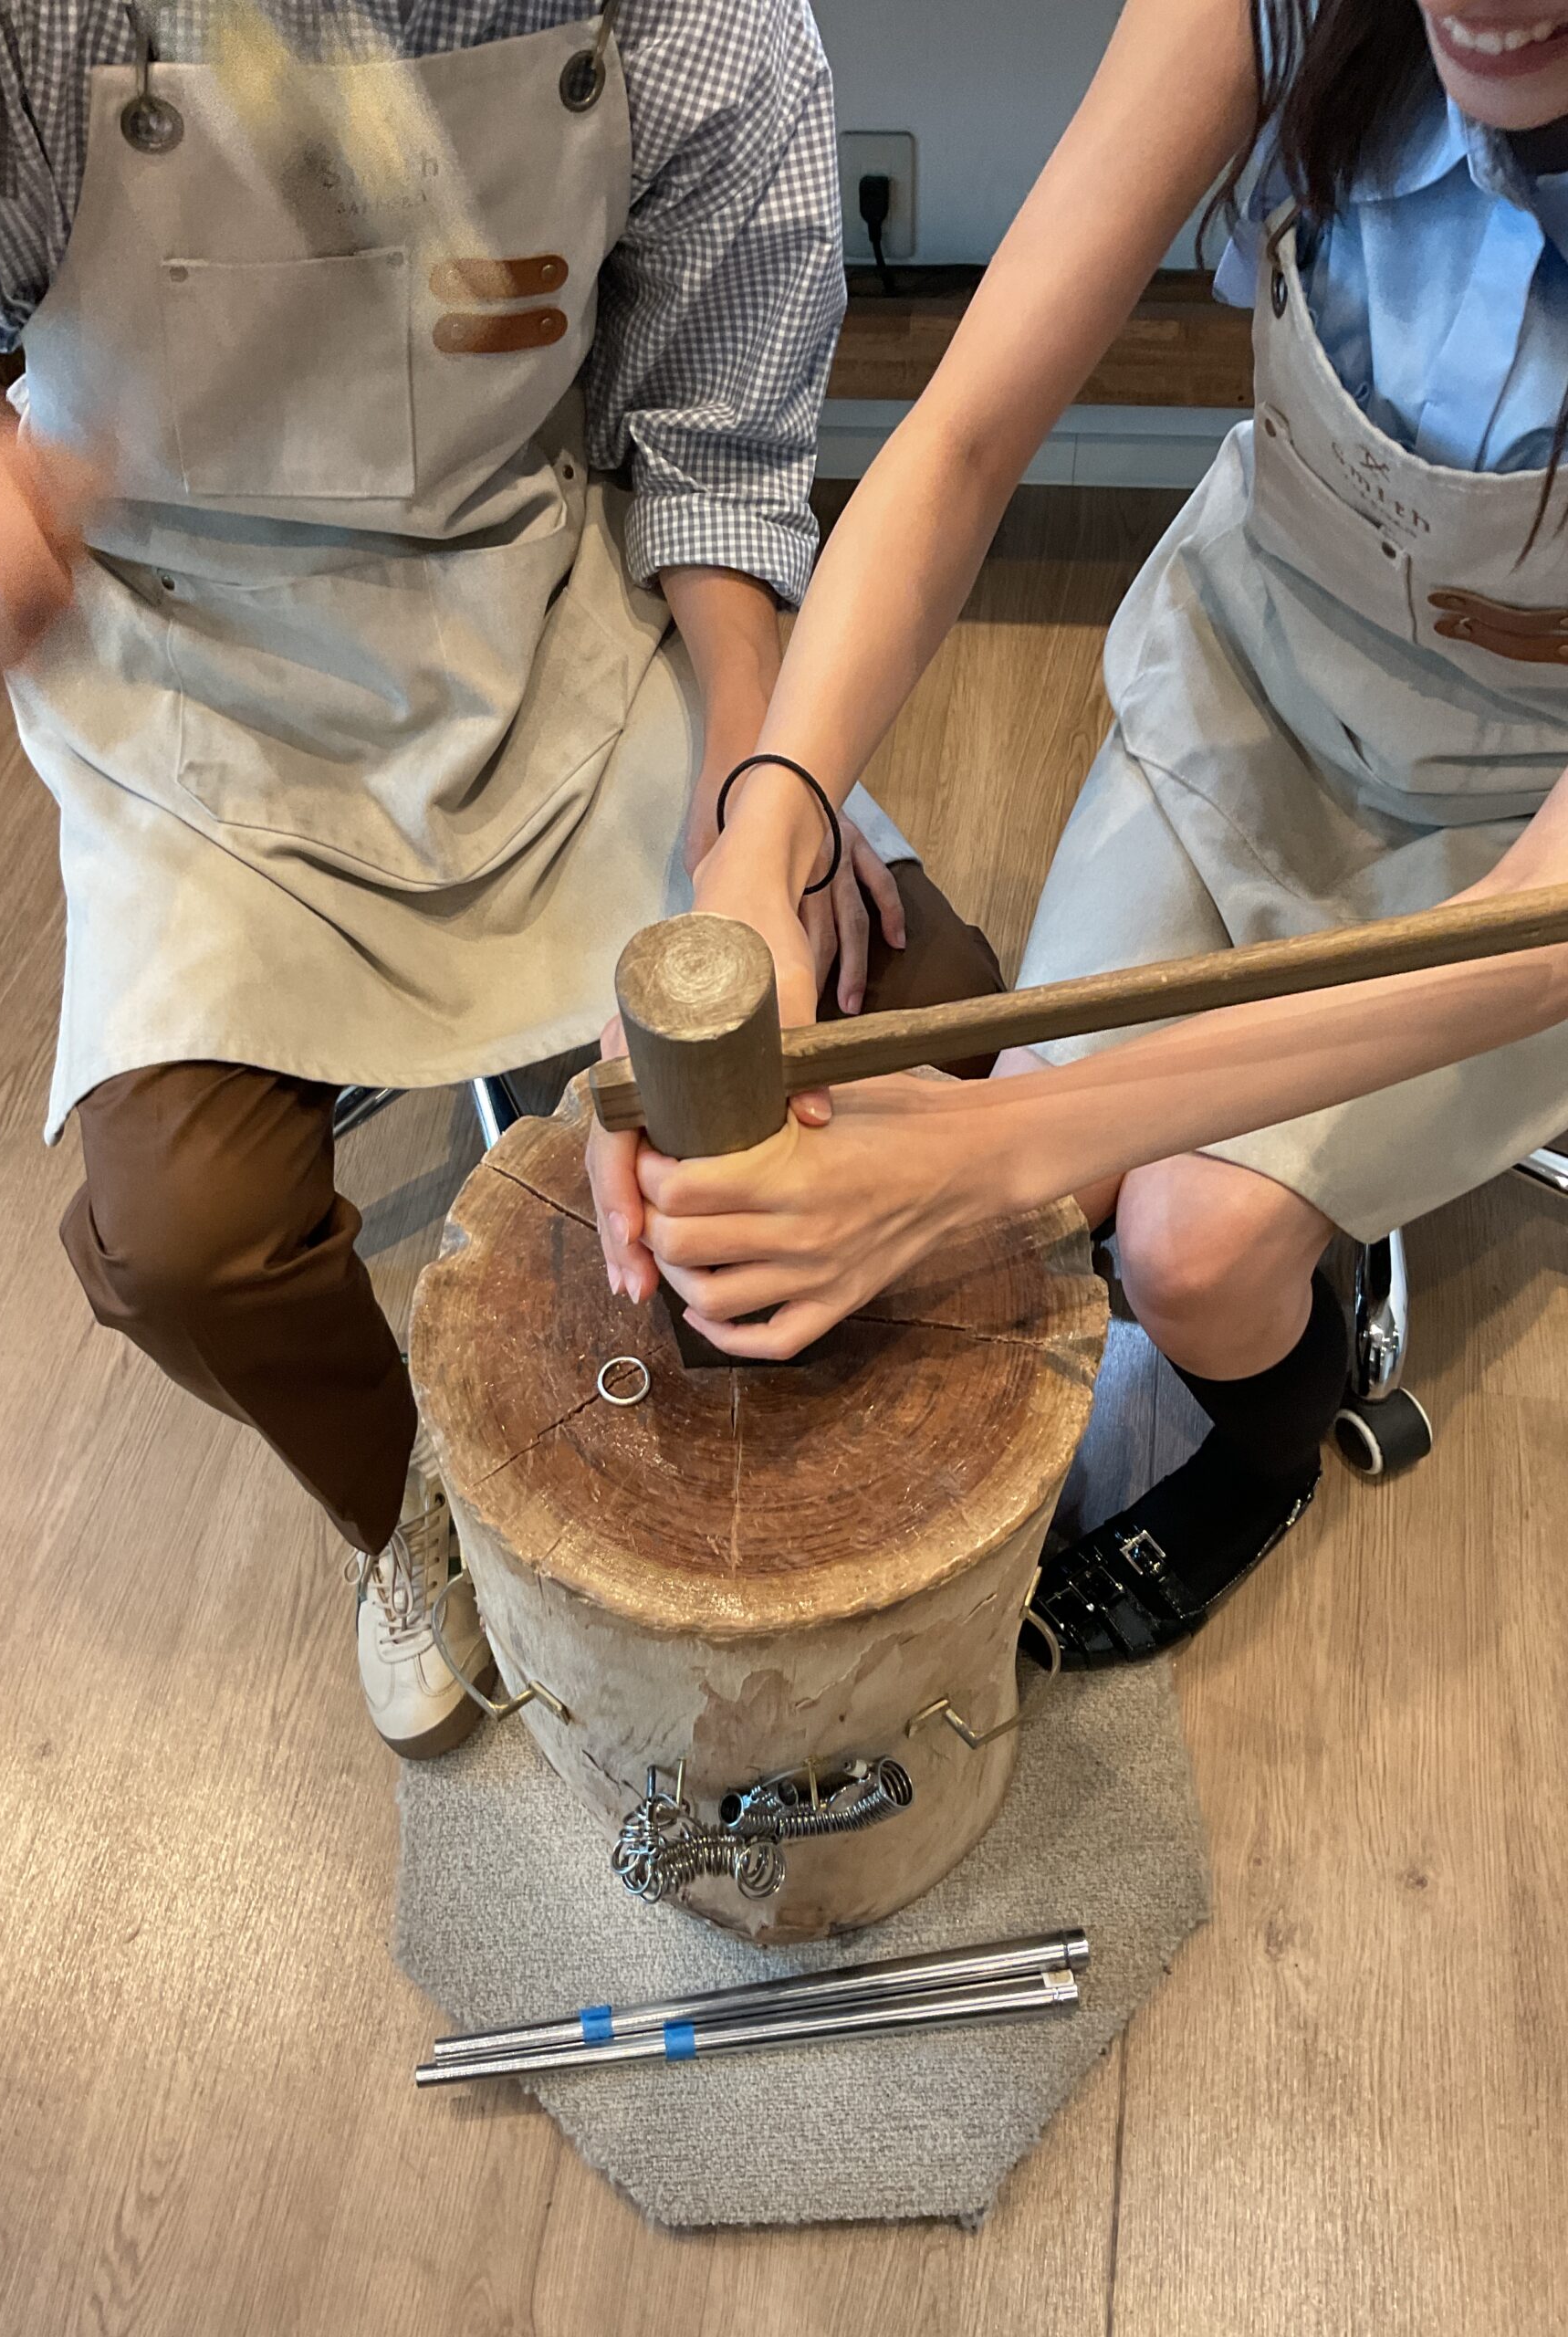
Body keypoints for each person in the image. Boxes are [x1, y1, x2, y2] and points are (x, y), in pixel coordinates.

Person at [0, 1, 1004, 1755]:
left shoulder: (698, 21)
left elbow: (718, 443)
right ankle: (411, 1511)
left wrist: (763, 794)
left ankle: (778, 1442)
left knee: (923, 1015)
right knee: (190, 1244)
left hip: (538, 576)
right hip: (184, 647)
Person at [591, 0, 1568, 1668]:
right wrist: (760, 838)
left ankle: (1263, 1464)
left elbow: (1532, 934)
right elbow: (964, 435)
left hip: (1515, 840)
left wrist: (986, 1152)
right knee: (1052, 1176)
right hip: (1251, 675)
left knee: (1186, 1247)